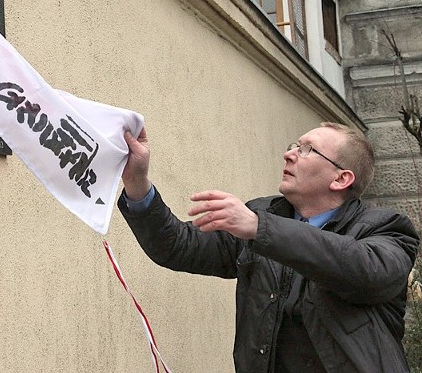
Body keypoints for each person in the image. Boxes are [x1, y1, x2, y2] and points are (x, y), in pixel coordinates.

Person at [118, 122, 419, 372]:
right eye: (294, 145)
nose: (289, 155)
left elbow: (364, 270)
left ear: (341, 178)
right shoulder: (263, 215)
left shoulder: (387, 230)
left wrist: (260, 228)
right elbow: (178, 246)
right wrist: (137, 183)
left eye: (307, 150)